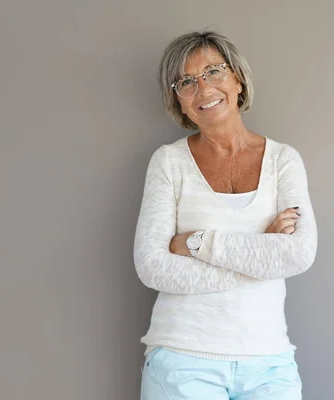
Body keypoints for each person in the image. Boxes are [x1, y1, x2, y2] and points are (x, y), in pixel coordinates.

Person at [133, 30, 317, 400]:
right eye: (186, 81)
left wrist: (197, 243)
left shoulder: (283, 160)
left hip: (269, 363)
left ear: (237, 79)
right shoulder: (168, 163)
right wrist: (261, 255)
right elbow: (152, 266)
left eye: (213, 71)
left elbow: (298, 254)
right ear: (179, 101)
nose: (203, 88)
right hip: (181, 361)